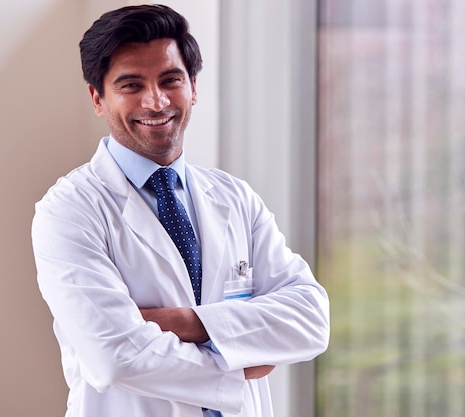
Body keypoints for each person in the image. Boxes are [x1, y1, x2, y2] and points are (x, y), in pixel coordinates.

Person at [31, 4, 330, 417]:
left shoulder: (235, 198)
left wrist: (186, 322)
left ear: (193, 86)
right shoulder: (68, 212)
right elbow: (116, 357)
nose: (155, 102)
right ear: (98, 99)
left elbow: (311, 317)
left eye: (170, 80)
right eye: (131, 85)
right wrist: (240, 361)